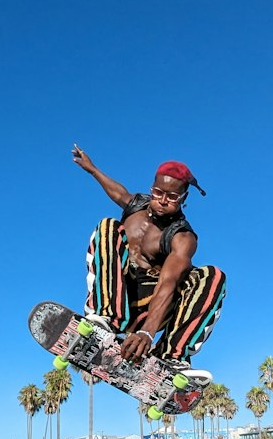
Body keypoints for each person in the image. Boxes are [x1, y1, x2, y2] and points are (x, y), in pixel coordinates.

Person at [71, 146, 225, 372]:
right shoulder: (136, 205)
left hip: (151, 309)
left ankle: (171, 354)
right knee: (108, 226)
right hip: (119, 294)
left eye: (172, 197)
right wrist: (92, 169)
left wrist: (147, 332)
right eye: (158, 193)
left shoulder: (182, 236)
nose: (163, 200)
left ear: (184, 197)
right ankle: (106, 318)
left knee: (212, 276)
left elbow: (168, 283)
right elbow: (117, 192)